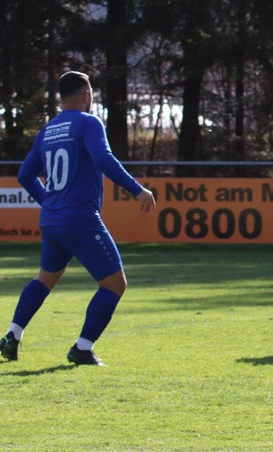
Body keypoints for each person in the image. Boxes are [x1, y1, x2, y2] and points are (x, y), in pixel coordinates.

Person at [0, 71, 156, 366]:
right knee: (114, 285)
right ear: (86, 94)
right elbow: (102, 158)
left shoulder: (47, 130)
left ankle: (12, 334)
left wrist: (49, 200)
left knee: (45, 278)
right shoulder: (88, 122)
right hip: (81, 219)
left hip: (52, 220)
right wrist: (136, 189)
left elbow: (25, 175)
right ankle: (83, 348)